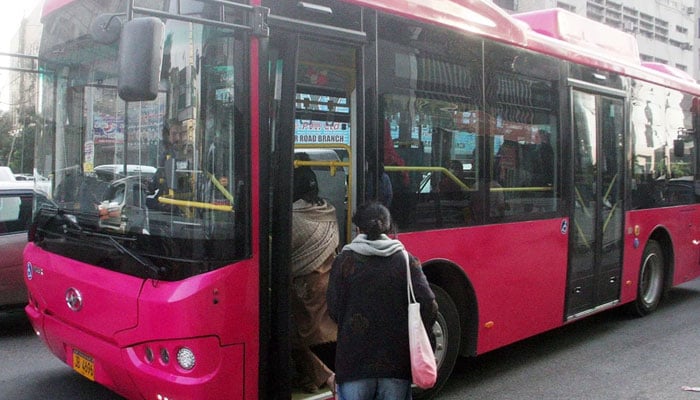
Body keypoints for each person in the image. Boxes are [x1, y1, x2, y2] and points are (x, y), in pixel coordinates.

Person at [327, 202, 437, 400]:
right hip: (395, 363)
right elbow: (428, 302)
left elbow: (334, 308)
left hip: (354, 363)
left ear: (358, 229)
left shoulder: (343, 260)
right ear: (389, 228)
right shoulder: (405, 260)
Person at [290, 164, 339, 394]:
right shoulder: (327, 208)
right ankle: (322, 373)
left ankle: (320, 377)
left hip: (306, 283)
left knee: (300, 335)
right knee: (325, 331)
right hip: (328, 277)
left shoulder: (293, 217)